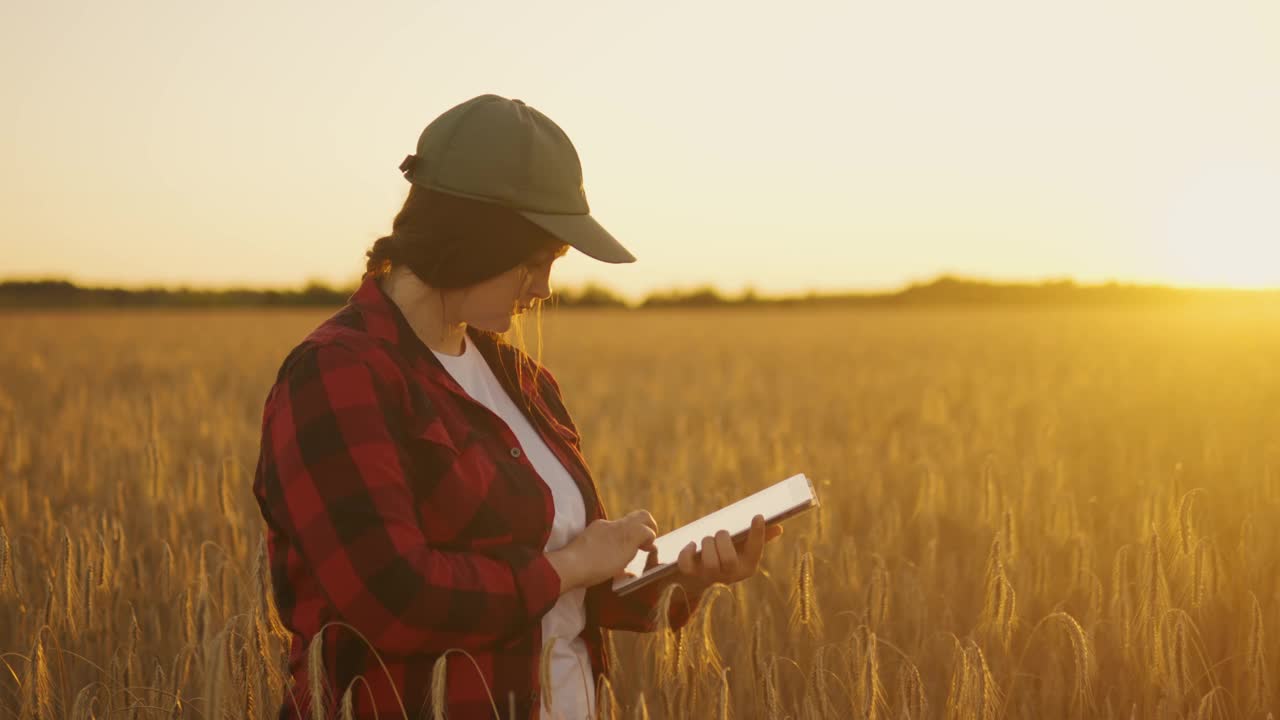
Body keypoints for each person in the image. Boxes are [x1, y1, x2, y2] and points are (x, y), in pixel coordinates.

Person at [252, 93, 782, 720]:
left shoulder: (522, 380)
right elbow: (389, 597)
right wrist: (572, 563)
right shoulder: (338, 373)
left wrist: (686, 576)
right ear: (473, 240)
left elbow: (573, 595)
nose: (546, 290)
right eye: (534, 263)